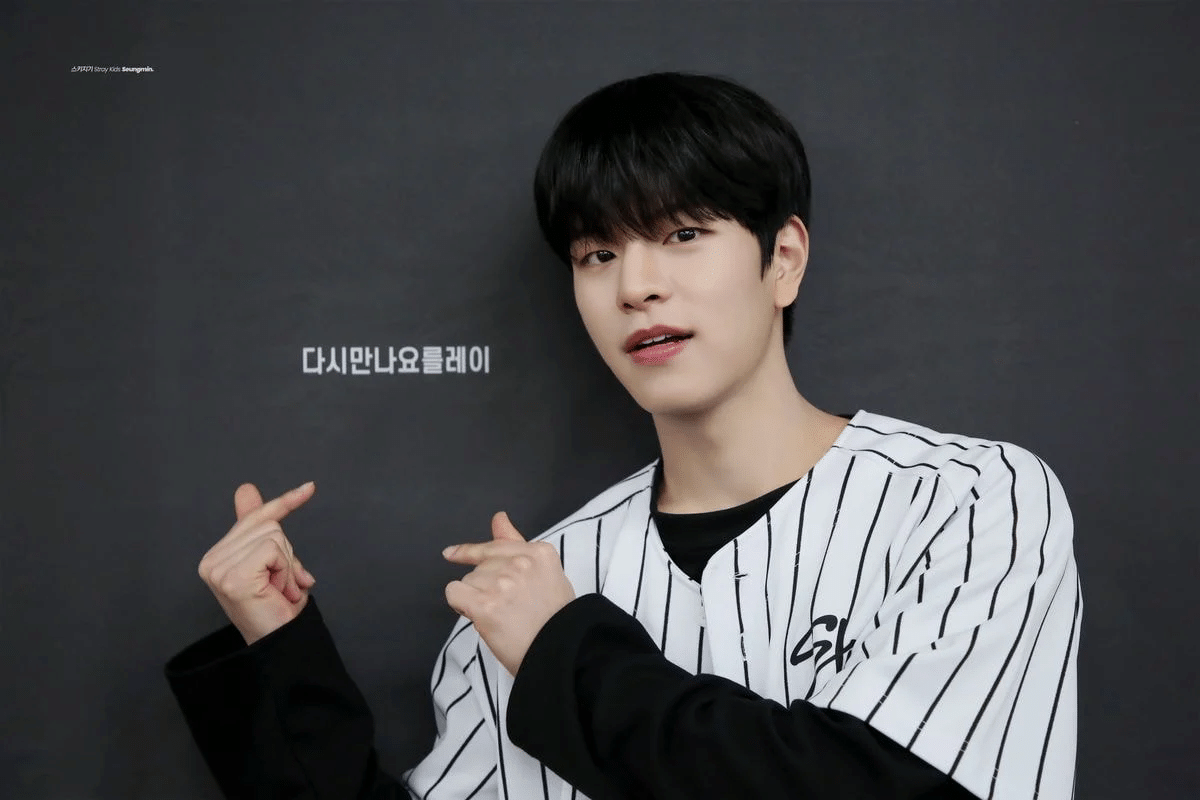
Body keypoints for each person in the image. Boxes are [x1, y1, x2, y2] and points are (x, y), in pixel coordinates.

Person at [165, 72, 1080, 800]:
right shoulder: (533, 586)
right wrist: (281, 655)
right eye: (597, 254)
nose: (635, 286)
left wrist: (565, 656)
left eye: (682, 234)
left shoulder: (967, 501)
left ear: (783, 260)